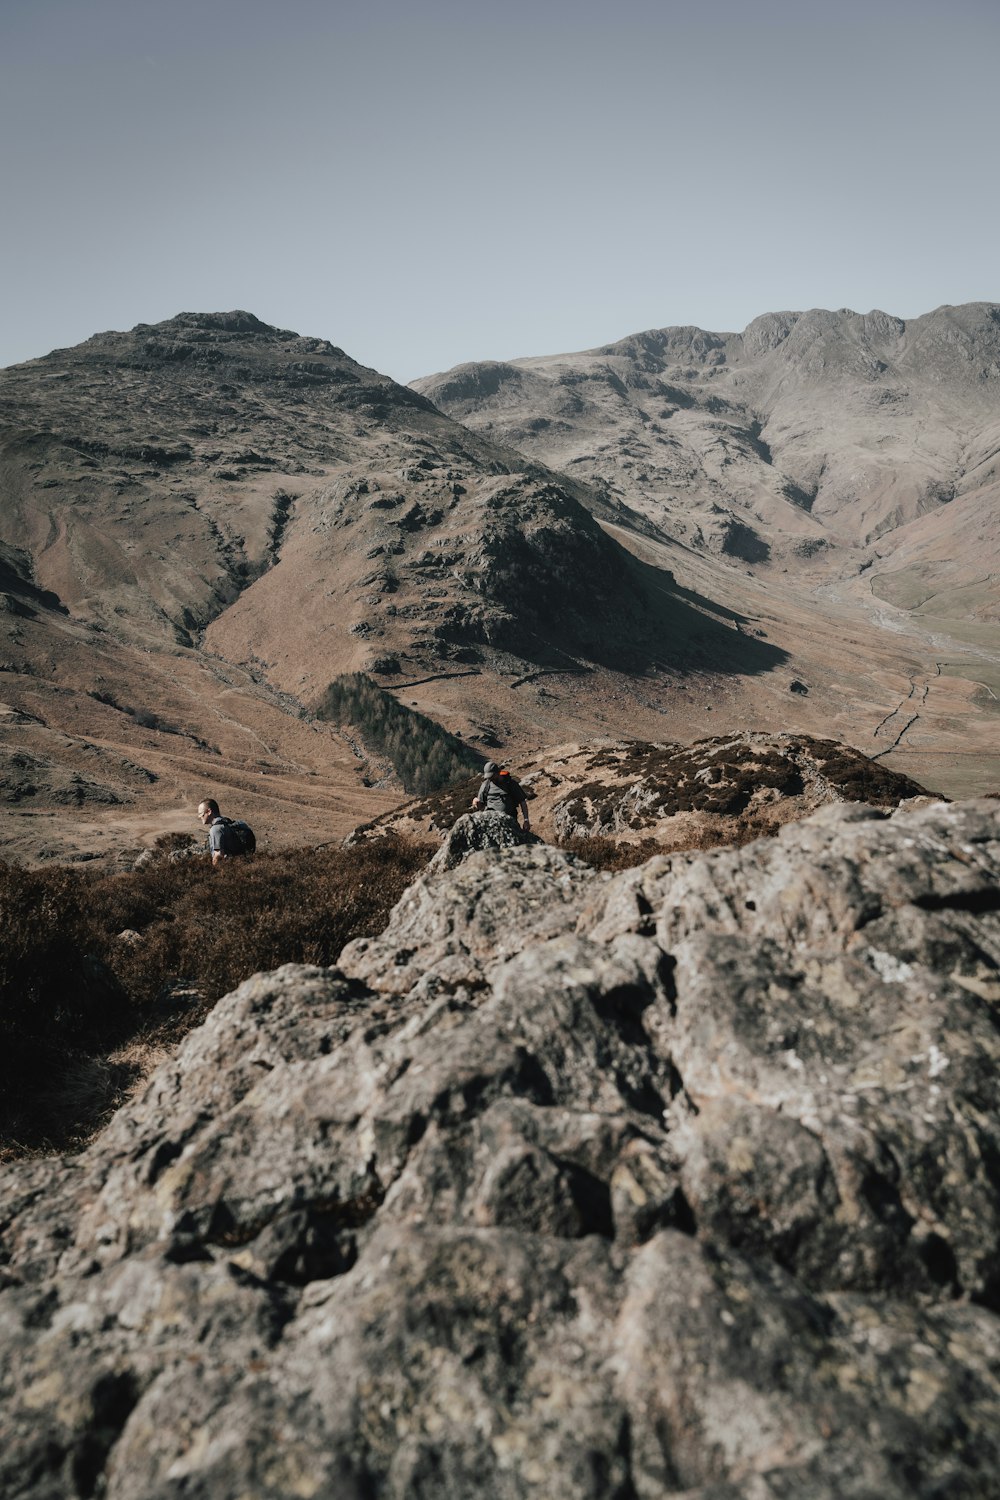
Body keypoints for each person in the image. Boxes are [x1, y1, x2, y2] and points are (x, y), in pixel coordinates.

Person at [472, 762, 530, 831]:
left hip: (510, 823)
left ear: (498, 772)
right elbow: (481, 805)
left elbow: (522, 802)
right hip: (491, 824)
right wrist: (476, 804)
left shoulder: (510, 784)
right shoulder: (485, 785)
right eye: (489, 777)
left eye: (492, 776)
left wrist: (526, 820)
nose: (491, 779)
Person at [197, 798, 256, 863]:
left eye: (201, 814)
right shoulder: (228, 824)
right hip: (242, 864)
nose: (199, 817)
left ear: (209, 812)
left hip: (229, 868)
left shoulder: (216, 829)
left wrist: (215, 871)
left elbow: (218, 855)